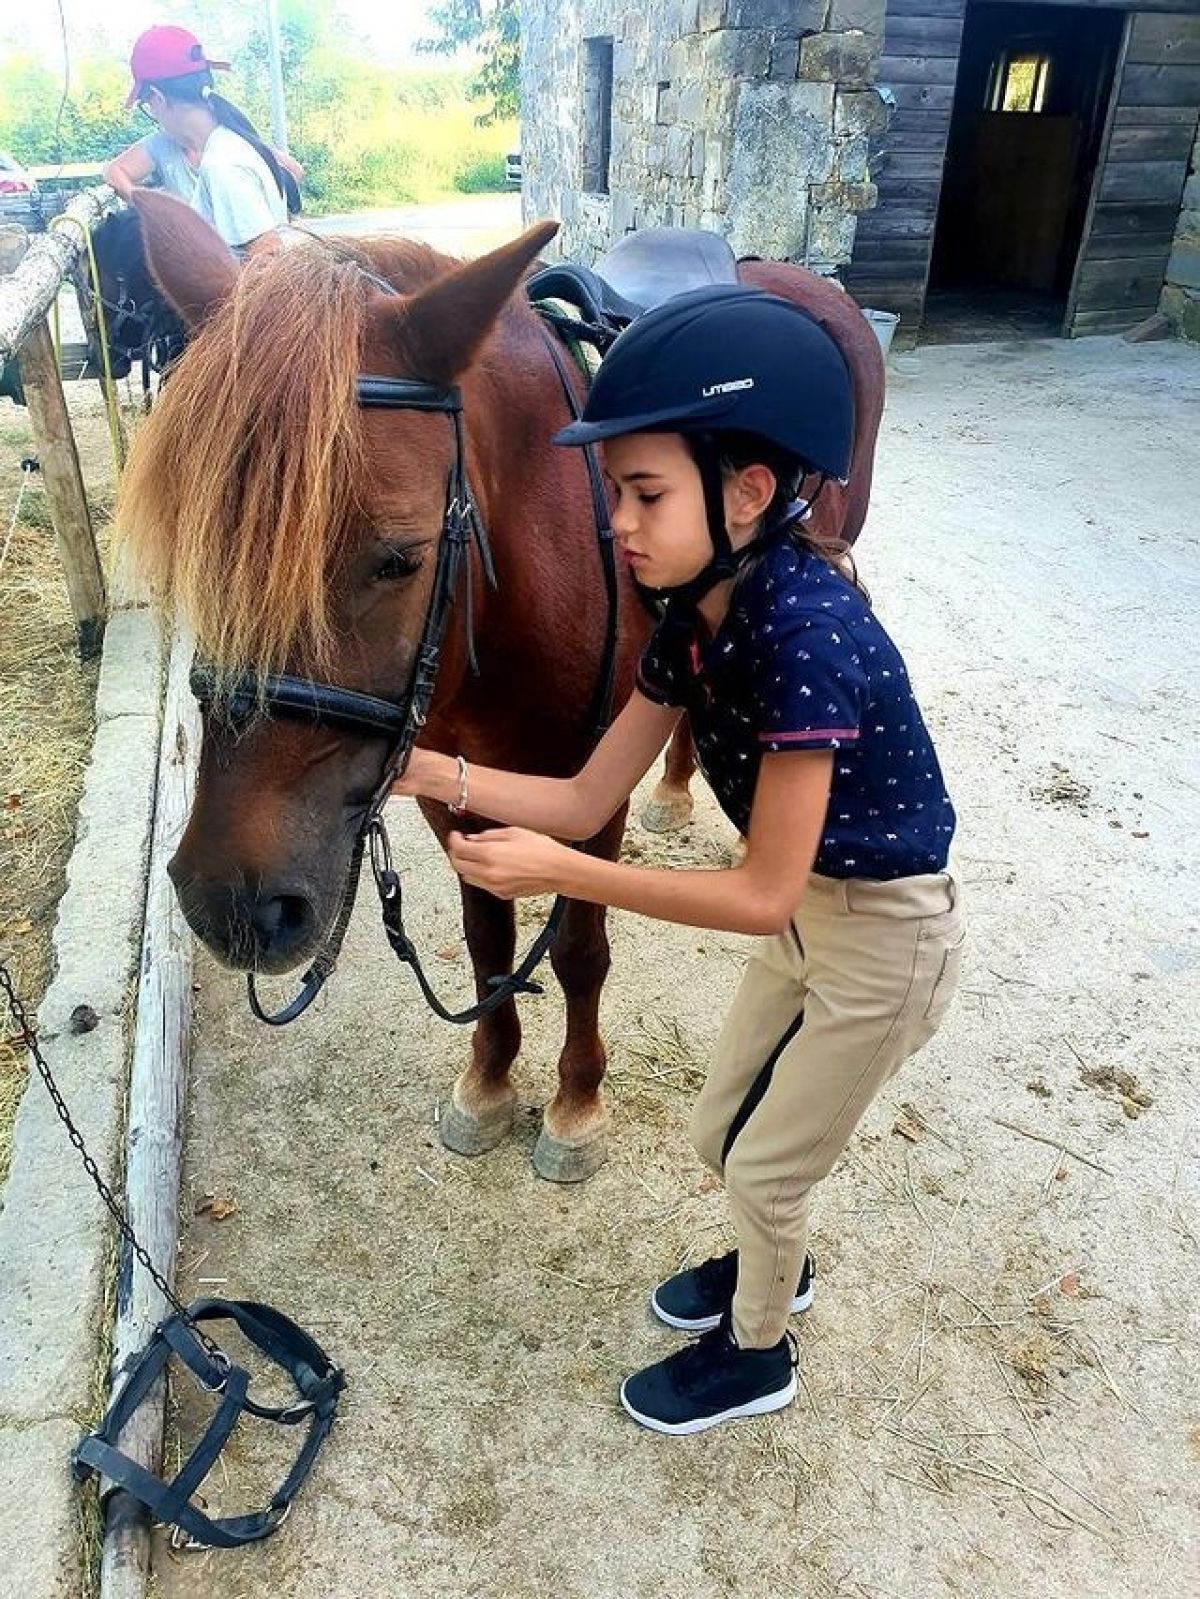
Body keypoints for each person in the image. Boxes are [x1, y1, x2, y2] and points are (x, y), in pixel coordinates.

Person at [394, 285, 966, 1436]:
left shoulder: (805, 637)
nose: (618, 522)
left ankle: (758, 1356)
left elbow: (756, 894)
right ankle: (770, 1262)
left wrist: (567, 874)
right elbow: (584, 796)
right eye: (613, 492)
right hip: (807, 921)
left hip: (881, 941)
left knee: (765, 1170)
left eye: (645, 494)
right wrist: (421, 770)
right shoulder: (689, 620)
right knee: (719, 1134)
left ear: (746, 492)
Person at [103, 25, 300, 259]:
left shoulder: (223, 165)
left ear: (158, 98)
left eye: (147, 104)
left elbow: (269, 257)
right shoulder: (227, 143)